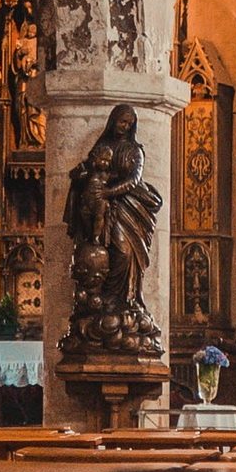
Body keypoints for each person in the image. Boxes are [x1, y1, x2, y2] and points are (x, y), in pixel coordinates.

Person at [61, 104, 163, 351]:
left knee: (125, 252)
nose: (124, 126)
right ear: (113, 121)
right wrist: (81, 177)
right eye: (121, 121)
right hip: (104, 208)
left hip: (130, 207)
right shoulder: (102, 147)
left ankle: (124, 299)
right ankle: (106, 300)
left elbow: (134, 180)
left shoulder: (135, 151)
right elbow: (89, 168)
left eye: (129, 123)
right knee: (103, 251)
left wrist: (108, 191)